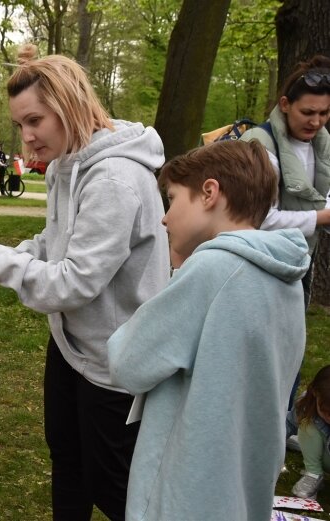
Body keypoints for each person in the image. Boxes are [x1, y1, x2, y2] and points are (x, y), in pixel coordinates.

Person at [0, 43, 169, 520]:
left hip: (117, 362)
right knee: (67, 463)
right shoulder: (67, 166)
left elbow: (72, 283)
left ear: (69, 106)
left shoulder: (114, 179)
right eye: (20, 125)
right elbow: (53, 243)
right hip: (73, 350)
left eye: (35, 121)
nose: (26, 137)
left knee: (113, 487)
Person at [107, 140, 310, 521]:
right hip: (241, 488)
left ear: (209, 193)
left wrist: (178, 275)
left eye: (172, 199)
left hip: (185, 492)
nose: (165, 218)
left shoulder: (211, 271)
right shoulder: (286, 280)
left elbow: (127, 362)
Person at [240, 54, 330, 411]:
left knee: (291, 349)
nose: (317, 122)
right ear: (284, 104)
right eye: (308, 112)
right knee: (262, 355)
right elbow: (259, 217)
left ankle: (280, 424)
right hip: (263, 264)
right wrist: (322, 217)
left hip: (300, 261)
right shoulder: (261, 145)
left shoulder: (323, 145)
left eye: (324, 113)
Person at [287, 365, 330, 499]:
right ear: (315, 393)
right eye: (326, 411)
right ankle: (313, 475)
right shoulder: (307, 403)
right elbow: (288, 424)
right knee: (306, 422)